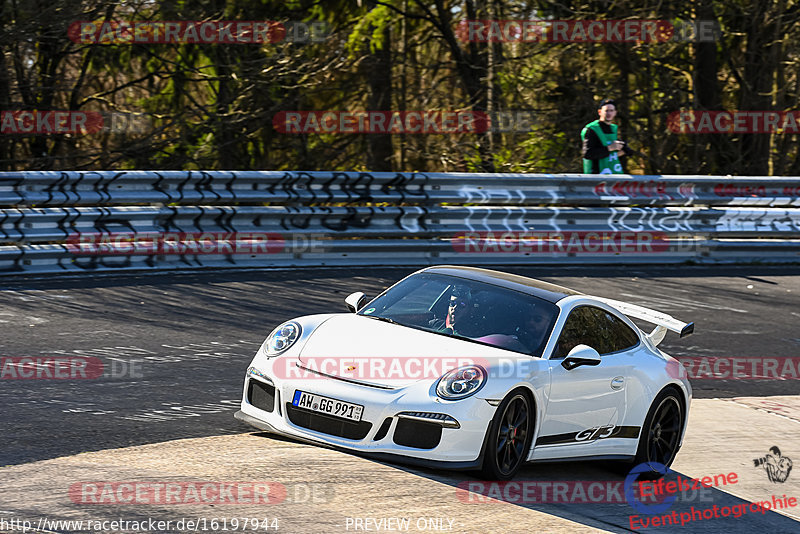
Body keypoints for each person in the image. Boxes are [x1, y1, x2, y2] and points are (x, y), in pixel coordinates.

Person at [581, 98, 633, 174]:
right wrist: (610, 148)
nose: (609, 113)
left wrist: (623, 149)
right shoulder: (592, 129)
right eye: (606, 111)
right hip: (596, 176)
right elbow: (588, 154)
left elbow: (627, 151)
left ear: (615, 113)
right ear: (600, 112)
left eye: (611, 111)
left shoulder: (613, 128)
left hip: (613, 174)